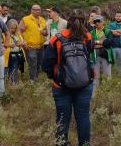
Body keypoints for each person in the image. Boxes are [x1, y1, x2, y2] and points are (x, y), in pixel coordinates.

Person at [42, 15, 94, 146]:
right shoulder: (87, 37)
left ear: (67, 24)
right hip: (84, 84)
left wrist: (55, 78)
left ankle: (61, 143)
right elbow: (90, 54)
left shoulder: (57, 39)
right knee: (83, 117)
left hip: (61, 86)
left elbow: (46, 64)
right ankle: (85, 144)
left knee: (62, 118)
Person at [19, 4, 47, 82]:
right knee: (32, 64)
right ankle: (32, 81)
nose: (38, 11)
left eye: (39, 10)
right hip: (30, 47)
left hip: (41, 46)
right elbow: (19, 31)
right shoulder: (26, 19)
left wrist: (44, 32)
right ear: (32, 10)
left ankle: (35, 78)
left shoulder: (42, 19)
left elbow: (46, 32)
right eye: (36, 9)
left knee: (39, 64)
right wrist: (23, 42)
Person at [90, 15, 114, 87]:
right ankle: (96, 92)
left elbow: (109, 43)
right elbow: (90, 44)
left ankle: (108, 91)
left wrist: (96, 43)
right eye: (95, 22)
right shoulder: (91, 32)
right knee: (95, 75)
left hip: (105, 56)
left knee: (107, 75)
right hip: (94, 56)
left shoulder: (108, 31)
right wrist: (103, 42)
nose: (97, 23)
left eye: (98, 21)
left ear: (103, 22)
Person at [3, 19, 27, 85]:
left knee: (15, 70)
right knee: (6, 70)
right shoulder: (4, 34)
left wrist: (21, 43)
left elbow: (24, 42)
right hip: (7, 55)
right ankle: (5, 84)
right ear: (7, 27)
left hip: (17, 55)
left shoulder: (18, 34)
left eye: (14, 28)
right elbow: (0, 44)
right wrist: (9, 45)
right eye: (11, 28)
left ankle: (14, 84)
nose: (13, 30)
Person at [108, 12, 121, 76]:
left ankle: (120, 76)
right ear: (115, 17)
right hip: (112, 47)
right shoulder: (111, 24)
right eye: (117, 16)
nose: (118, 17)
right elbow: (110, 32)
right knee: (110, 63)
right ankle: (110, 76)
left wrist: (115, 30)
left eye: (119, 16)